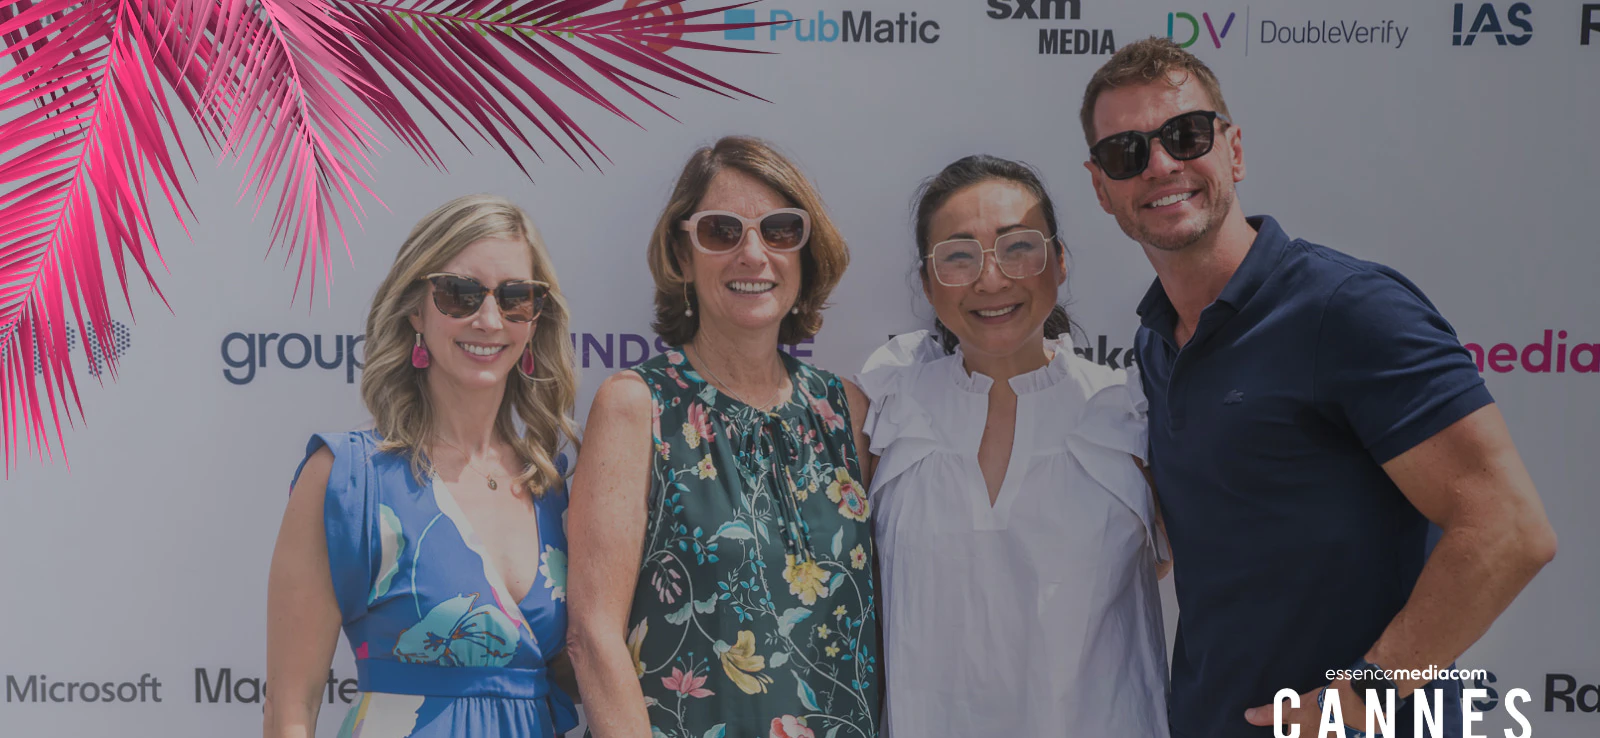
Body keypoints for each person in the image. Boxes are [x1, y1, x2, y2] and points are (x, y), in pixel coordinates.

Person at [1078, 37, 1558, 738]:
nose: (1161, 165)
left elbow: (1511, 530)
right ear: (1101, 187)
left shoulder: (1348, 308)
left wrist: (1362, 698)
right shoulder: (1155, 340)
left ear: (1233, 150)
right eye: (1128, 152)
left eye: (1186, 135)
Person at [566, 136, 881, 738]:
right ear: (682, 256)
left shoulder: (846, 412)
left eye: (781, 230)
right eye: (721, 231)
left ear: (806, 252)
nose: (753, 254)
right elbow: (593, 635)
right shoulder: (638, 406)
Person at [856, 155, 1171, 738]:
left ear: (1060, 261)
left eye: (1017, 247)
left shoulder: (1131, 412)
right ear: (927, 282)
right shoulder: (887, 409)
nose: (991, 279)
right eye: (958, 255)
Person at [265, 195, 582, 737]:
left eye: (515, 298)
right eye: (459, 294)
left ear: (535, 318)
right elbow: (290, 710)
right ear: (415, 308)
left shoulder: (553, 487)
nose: (488, 319)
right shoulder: (348, 479)